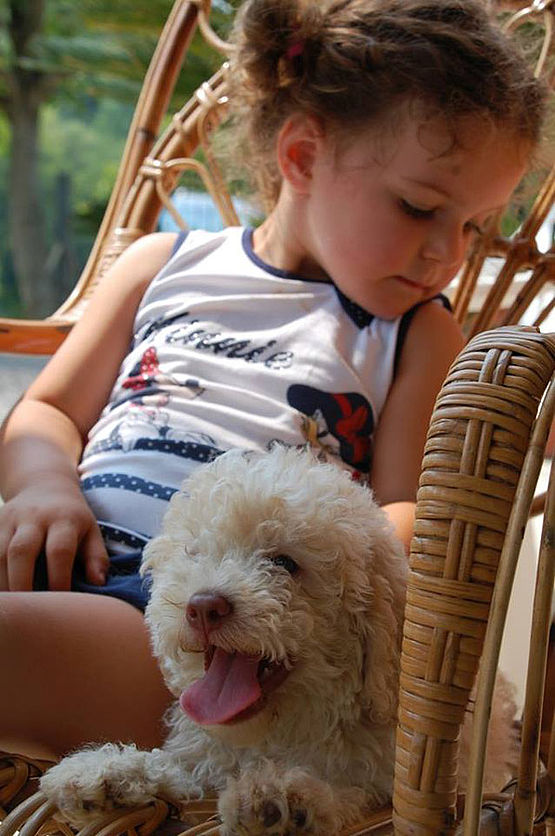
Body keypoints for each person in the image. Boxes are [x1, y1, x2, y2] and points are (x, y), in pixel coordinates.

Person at [0, 0, 546, 761]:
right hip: (44, 557)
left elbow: (405, 514)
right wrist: (42, 488)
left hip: (196, 634)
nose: (445, 254)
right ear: (300, 157)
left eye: (471, 226)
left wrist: (301, 568)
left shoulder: (411, 333)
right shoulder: (164, 265)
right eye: (419, 208)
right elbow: (50, 410)